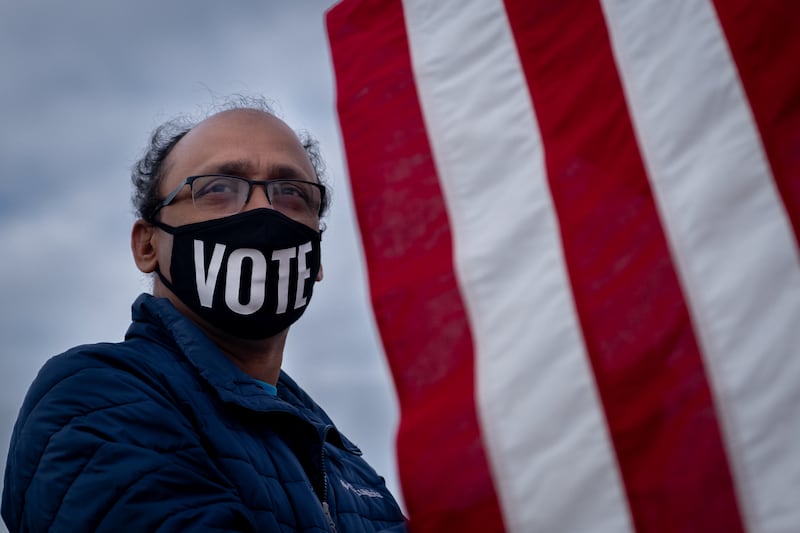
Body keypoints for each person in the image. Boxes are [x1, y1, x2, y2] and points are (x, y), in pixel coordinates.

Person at [1, 98, 407, 532]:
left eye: (291, 194)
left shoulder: (347, 464)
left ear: (317, 257)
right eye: (218, 189)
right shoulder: (95, 396)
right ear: (147, 244)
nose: (262, 211)